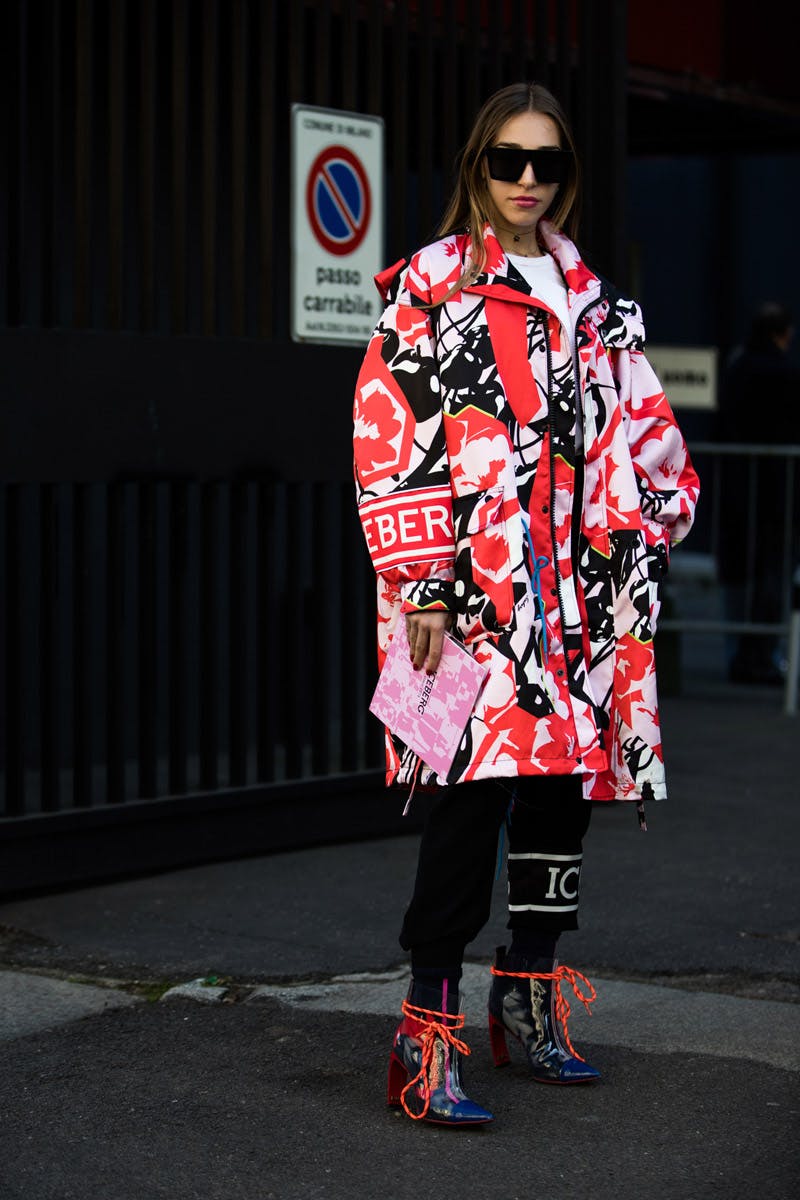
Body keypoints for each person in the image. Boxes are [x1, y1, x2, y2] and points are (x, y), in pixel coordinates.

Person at [352, 81, 699, 1127]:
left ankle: (528, 997)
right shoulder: (432, 287)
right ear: (476, 165)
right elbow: (385, 427)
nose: (526, 181)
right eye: (507, 160)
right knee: (467, 799)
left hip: (580, 598)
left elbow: (647, 429)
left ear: (565, 174)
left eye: (545, 163)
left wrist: (654, 511)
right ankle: (425, 1033)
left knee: (559, 797)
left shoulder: (593, 296)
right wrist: (418, 581)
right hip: (471, 592)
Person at [716, 302, 800, 685]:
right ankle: (765, 655)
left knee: (740, 573)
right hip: (776, 490)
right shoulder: (784, 374)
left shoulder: (737, 368)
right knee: (771, 573)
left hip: (737, 486)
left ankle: (739, 653)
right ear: (783, 334)